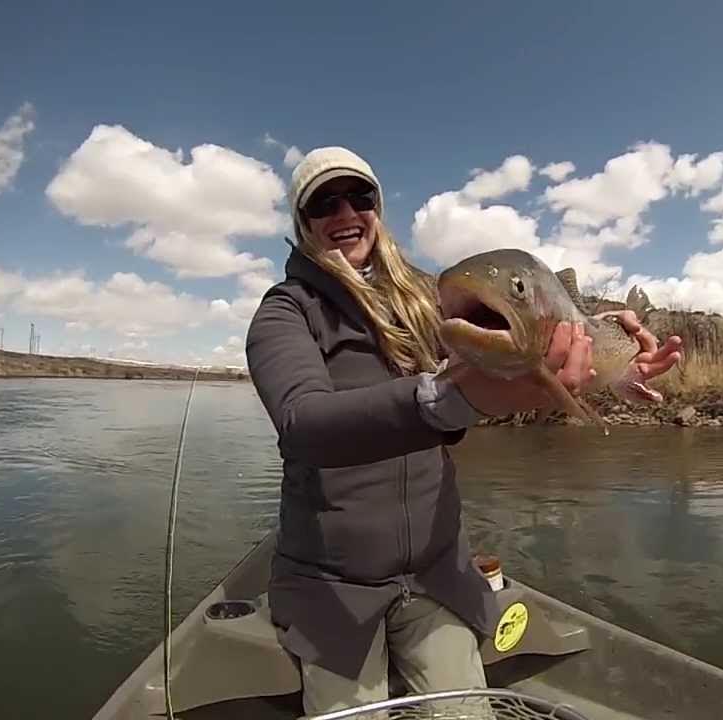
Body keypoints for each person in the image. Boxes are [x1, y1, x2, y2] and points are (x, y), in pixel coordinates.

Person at [245, 146, 682, 716]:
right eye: (324, 202)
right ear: (302, 223)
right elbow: (305, 427)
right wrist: (447, 399)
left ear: (377, 206)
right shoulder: (284, 313)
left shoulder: (430, 298)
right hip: (333, 588)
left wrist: (607, 344)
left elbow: (535, 328)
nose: (344, 211)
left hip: (436, 576)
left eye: (359, 196)